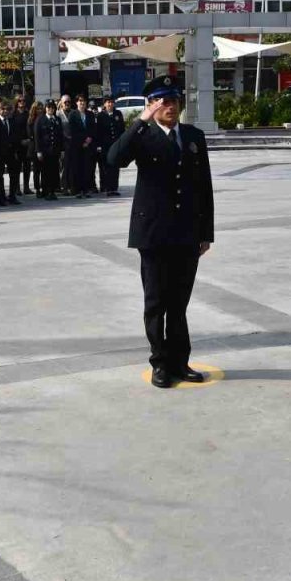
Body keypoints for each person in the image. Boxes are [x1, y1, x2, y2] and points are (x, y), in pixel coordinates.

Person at [108, 77, 214, 389]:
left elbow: (204, 187)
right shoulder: (143, 135)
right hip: (153, 234)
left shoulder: (194, 136)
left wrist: (205, 233)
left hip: (186, 234)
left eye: (174, 100)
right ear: (151, 105)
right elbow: (114, 159)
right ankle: (160, 363)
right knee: (156, 303)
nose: (170, 106)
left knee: (179, 304)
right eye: (162, 101)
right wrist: (140, 121)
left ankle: (180, 362)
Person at [67, 96, 96, 198]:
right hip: (77, 146)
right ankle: (77, 190)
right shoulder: (72, 114)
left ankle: (86, 189)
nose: (82, 103)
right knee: (77, 168)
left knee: (87, 168)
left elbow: (93, 128)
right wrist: (82, 141)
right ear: (76, 103)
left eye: (83, 101)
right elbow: (72, 130)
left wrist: (89, 139)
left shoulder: (90, 114)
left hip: (88, 145)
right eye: (80, 101)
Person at [34, 99, 64, 200]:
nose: (50, 109)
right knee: (45, 172)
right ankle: (45, 191)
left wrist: (62, 150)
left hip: (54, 150)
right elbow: (37, 136)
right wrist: (38, 151)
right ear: (45, 108)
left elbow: (60, 136)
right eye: (48, 107)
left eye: (52, 107)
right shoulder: (40, 119)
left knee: (54, 171)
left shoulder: (56, 119)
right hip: (45, 150)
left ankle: (52, 191)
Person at [96, 96, 126, 196]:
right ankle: (107, 188)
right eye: (108, 102)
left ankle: (114, 188)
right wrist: (99, 145)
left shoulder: (118, 114)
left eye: (111, 102)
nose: (110, 104)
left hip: (116, 145)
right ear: (104, 104)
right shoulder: (101, 116)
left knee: (115, 167)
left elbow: (122, 129)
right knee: (106, 167)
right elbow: (98, 132)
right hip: (105, 146)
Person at [10, 98, 30, 199]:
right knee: (17, 167)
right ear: (17, 103)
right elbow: (13, 131)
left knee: (27, 166)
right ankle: (17, 188)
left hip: (27, 143)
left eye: (23, 101)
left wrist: (29, 139)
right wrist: (20, 141)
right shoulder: (13, 115)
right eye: (20, 101)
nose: (22, 102)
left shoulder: (28, 113)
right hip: (18, 144)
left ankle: (26, 187)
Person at [26, 101, 45, 196]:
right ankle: (38, 189)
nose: (40, 110)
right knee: (37, 170)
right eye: (38, 109)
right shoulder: (31, 120)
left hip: (45, 146)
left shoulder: (44, 118)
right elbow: (31, 135)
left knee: (44, 169)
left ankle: (45, 187)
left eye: (41, 108)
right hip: (35, 147)